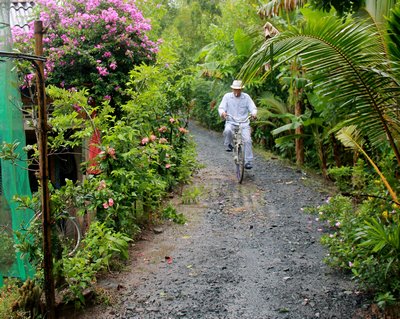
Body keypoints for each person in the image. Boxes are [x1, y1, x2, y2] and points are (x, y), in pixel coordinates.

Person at [218, 80, 257, 169]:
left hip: (244, 123)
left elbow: (253, 108)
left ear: (241, 90)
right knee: (228, 130)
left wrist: (254, 114)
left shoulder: (246, 97)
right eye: (235, 89)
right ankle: (229, 144)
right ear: (232, 89)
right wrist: (223, 113)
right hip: (231, 121)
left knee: (247, 140)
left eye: (238, 89)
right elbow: (221, 107)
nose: (237, 91)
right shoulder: (227, 97)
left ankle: (248, 161)